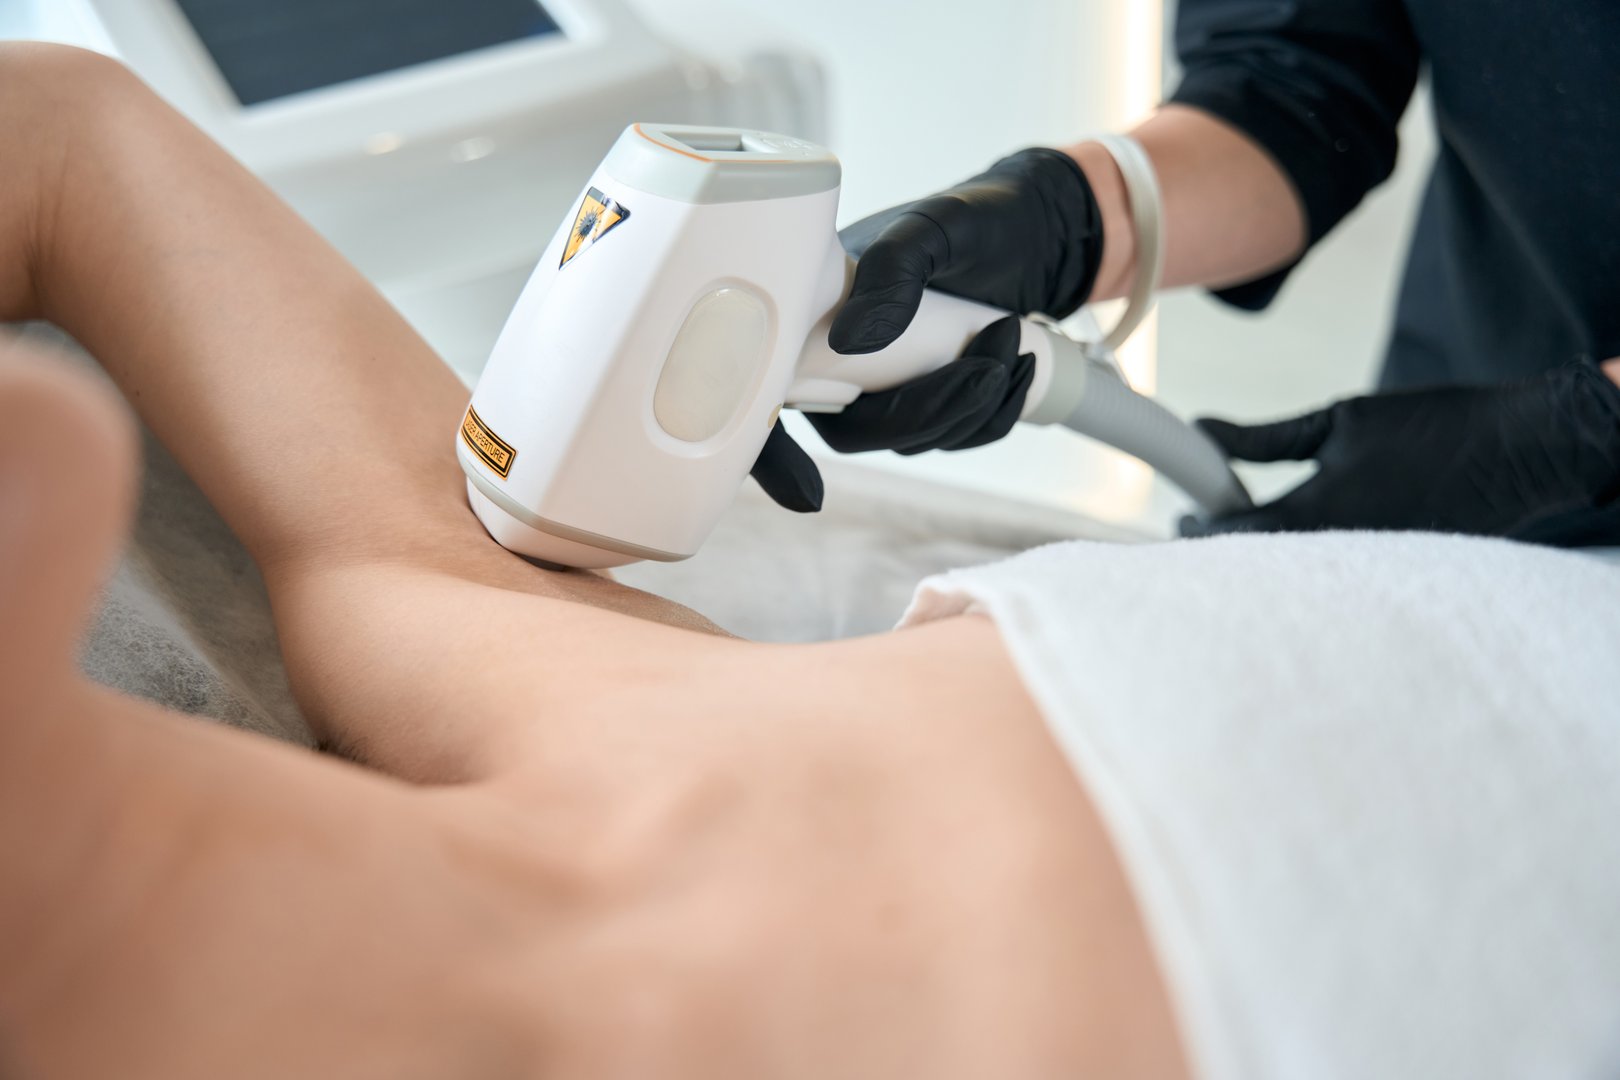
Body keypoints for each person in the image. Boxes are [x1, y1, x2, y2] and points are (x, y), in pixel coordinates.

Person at [3, 42, 1618, 1080]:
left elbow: (62, 134)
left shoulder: (435, 633)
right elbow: (1303, 72)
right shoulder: (445, 635)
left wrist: (1576, 434)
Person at [750, 0, 1620, 545]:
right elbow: (1294, 82)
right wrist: (1069, 222)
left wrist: (1577, 435)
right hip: (1474, 431)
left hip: (1503, 464)